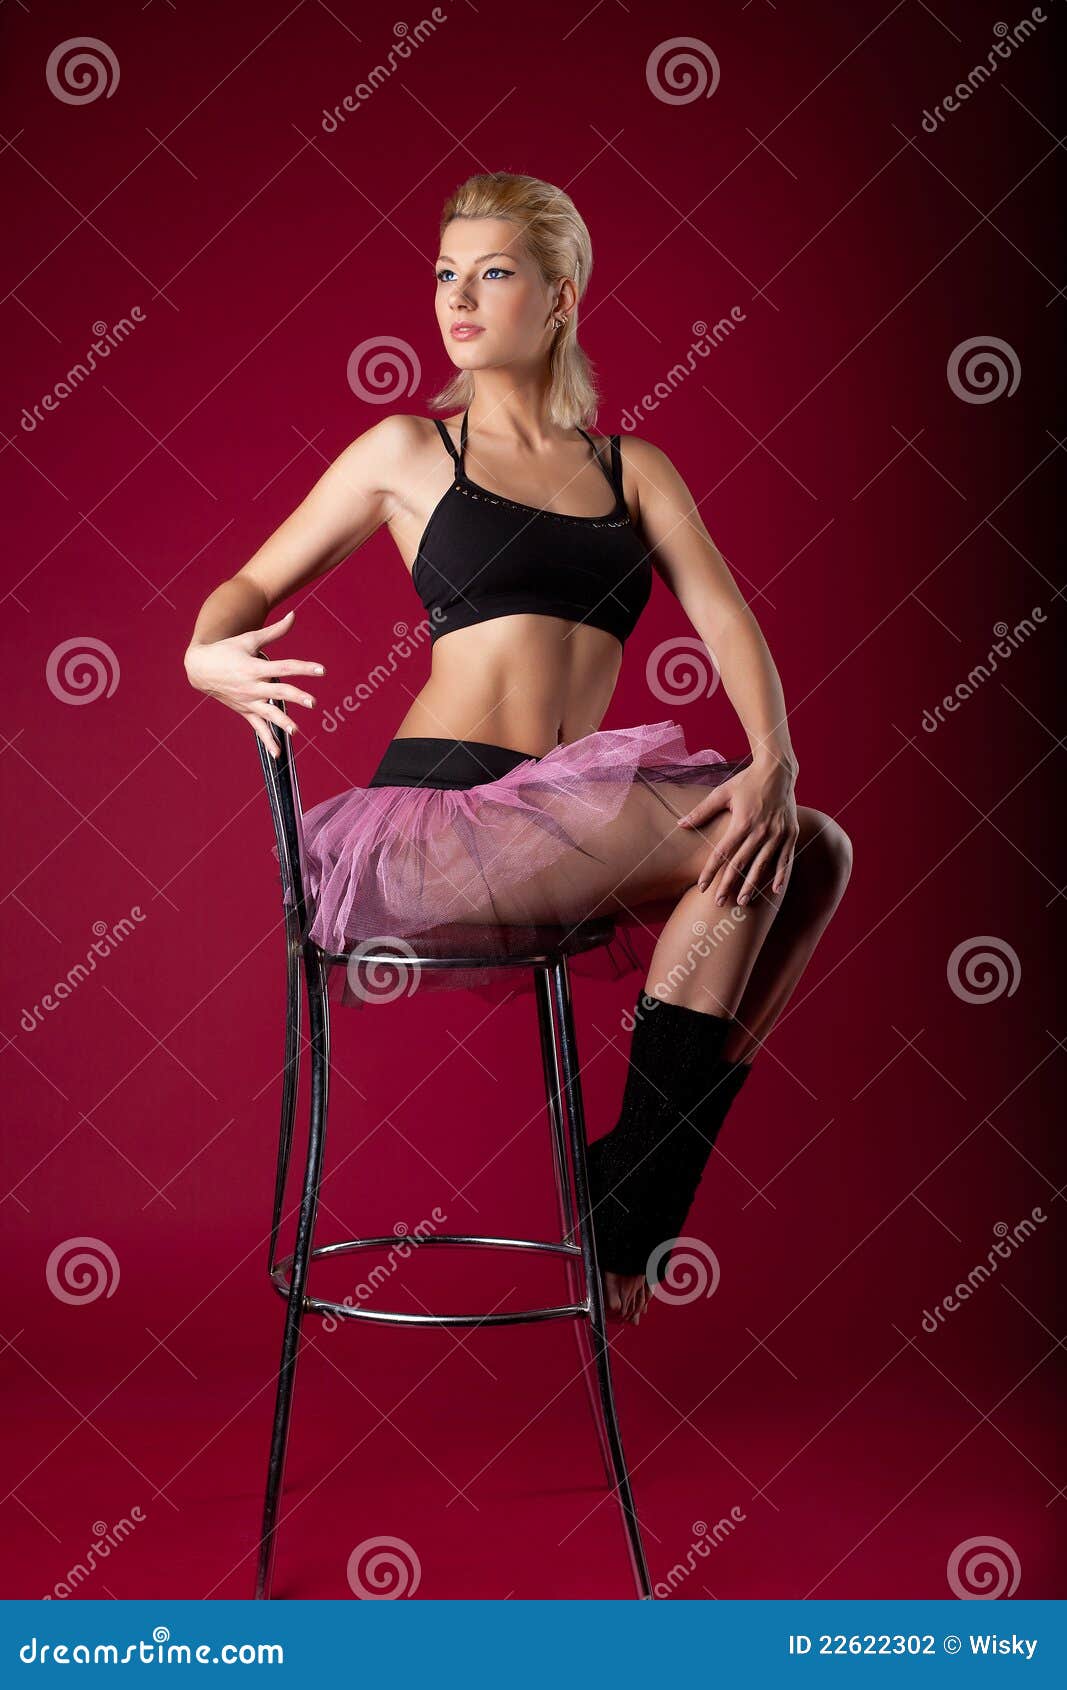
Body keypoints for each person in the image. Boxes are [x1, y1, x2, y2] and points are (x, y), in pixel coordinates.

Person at [184, 171, 853, 1329]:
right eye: (446, 272)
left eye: (492, 272)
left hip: (560, 814)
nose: (458, 295)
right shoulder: (405, 450)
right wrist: (205, 655)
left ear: (560, 297)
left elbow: (725, 615)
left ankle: (637, 1173)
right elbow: (244, 585)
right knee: (745, 847)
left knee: (815, 846)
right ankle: (633, 1203)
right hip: (432, 827)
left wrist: (775, 755)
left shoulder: (628, 469)